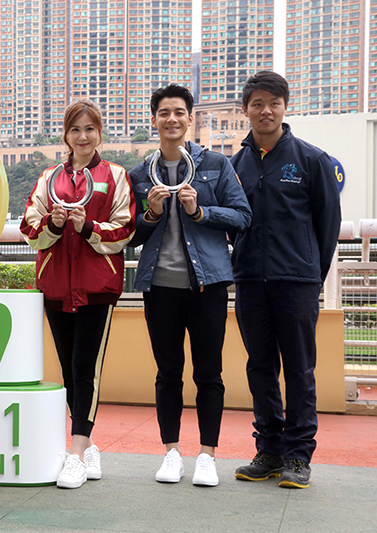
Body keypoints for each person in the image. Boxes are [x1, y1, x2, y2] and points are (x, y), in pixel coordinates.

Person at [128, 85, 252, 487]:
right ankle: (171, 453)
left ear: (190, 118)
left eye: (179, 112)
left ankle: (207, 455)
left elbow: (243, 216)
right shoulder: (140, 174)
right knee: (168, 373)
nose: (172, 119)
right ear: (154, 120)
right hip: (159, 286)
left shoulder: (215, 164)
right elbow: (129, 235)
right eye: (164, 113)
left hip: (207, 286)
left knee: (209, 373)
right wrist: (151, 213)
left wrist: (200, 211)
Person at [230, 71, 341, 489]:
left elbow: (328, 225)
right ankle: (270, 450)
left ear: (285, 107)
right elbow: (230, 222)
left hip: (297, 282)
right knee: (260, 367)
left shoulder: (312, 160)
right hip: (249, 281)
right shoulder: (234, 166)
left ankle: (298, 455)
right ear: (246, 109)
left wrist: (311, 273)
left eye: (273, 103)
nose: (266, 111)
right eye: (257, 103)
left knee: (298, 369)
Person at [20, 99, 136, 489]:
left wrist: (89, 227)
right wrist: (52, 224)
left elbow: (125, 229)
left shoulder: (115, 175)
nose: (82, 136)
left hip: (96, 287)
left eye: (89, 129)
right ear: (66, 136)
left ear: (99, 133)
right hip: (55, 287)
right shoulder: (48, 178)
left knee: (86, 369)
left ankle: (75, 452)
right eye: (75, 129)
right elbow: (29, 228)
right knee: (69, 371)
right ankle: (87, 447)